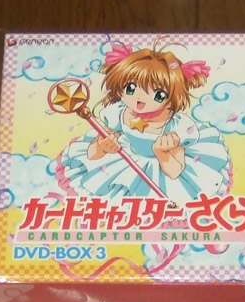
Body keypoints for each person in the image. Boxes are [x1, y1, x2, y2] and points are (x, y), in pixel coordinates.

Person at [56, 42, 231, 204]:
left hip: (162, 174)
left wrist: (162, 153)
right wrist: (102, 146)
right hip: (125, 163)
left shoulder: (176, 127)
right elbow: (92, 155)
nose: (139, 99)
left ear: (172, 96)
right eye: (130, 88)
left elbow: (174, 172)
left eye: (159, 95)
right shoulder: (119, 113)